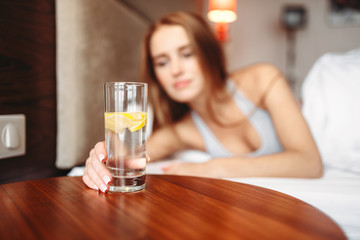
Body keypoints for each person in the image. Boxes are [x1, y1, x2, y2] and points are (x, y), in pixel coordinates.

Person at [82, 11, 322, 192]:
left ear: (208, 52)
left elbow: (310, 163)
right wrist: (101, 157)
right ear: (156, 75)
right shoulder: (182, 131)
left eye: (187, 54)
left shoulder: (262, 79)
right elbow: (130, 155)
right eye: (162, 62)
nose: (176, 70)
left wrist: (215, 168)